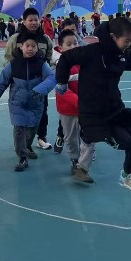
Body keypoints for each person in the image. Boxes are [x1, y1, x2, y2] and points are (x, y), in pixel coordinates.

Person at [55, 18, 131, 193]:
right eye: (126, 41)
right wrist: (62, 82)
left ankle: (127, 177)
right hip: (93, 111)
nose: (129, 44)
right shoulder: (91, 52)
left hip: (114, 107)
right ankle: (89, 135)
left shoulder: (120, 55)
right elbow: (66, 58)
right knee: (125, 142)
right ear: (113, 37)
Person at [0, 32, 58, 172]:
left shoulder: (42, 65)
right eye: (27, 45)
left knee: (31, 129)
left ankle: (27, 147)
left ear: (37, 48)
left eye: (33, 46)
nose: (30, 49)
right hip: (17, 104)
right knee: (19, 129)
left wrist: (39, 90)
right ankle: (22, 157)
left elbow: (51, 78)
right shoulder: (13, 65)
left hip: (36, 104)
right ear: (21, 47)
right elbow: (1, 83)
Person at [3, 8, 55, 150]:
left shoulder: (45, 39)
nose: (33, 23)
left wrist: (46, 78)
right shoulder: (16, 39)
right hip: (20, 86)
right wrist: (14, 77)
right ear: (24, 21)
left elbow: (49, 58)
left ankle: (41, 137)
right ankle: (24, 146)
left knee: (42, 111)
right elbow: (8, 59)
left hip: (40, 85)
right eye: (30, 20)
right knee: (21, 114)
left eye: (36, 20)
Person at [55, 29, 92, 183]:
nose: (73, 46)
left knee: (90, 136)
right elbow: (62, 91)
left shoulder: (85, 63)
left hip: (87, 109)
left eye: (75, 43)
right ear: (61, 47)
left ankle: (82, 168)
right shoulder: (60, 65)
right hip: (68, 110)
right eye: (69, 44)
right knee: (70, 138)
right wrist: (80, 102)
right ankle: (74, 160)